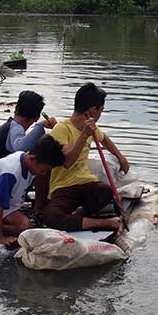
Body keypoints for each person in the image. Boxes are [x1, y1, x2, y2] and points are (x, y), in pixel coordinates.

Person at [38, 83, 129, 233]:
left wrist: (120, 157)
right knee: (51, 217)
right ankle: (104, 223)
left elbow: (104, 139)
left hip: (85, 182)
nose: (100, 114)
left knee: (105, 191)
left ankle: (79, 216)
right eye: (101, 110)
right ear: (93, 110)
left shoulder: (91, 128)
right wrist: (84, 135)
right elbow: (67, 161)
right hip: (64, 187)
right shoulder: (62, 129)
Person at [0, 136, 66, 247]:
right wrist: (1, 238)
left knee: (25, 227)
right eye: (43, 170)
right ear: (32, 158)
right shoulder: (10, 173)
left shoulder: (26, 160)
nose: (43, 174)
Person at [0, 90, 57, 167]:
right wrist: (40, 125)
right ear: (37, 118)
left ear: (16, 109)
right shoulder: (15, 128)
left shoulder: (10, 126)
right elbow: (20, 149)